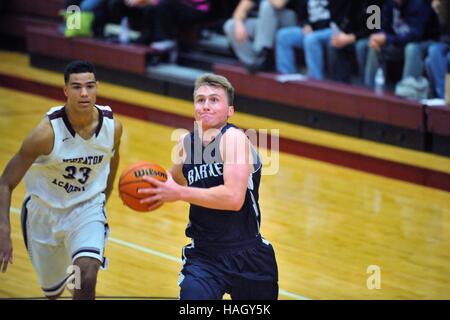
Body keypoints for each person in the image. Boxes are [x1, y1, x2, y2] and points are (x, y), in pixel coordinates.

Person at [138, 73, 279, 300]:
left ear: (229, 110)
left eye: (214, 100)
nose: (206, 105)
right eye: (200, 100)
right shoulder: (187, 144)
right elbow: (173, 180)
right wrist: (147, 183)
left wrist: (179, 193)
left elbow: (234, 198)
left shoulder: (234, 139)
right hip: (204, 256)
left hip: (248, 254)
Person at [0, 60, 122, 300]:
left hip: (86, 210)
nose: (84, 93)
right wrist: (3, 230)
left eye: (89, 86)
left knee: (86, 277)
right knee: (53, 293)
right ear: (66, 91)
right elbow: (5, 182)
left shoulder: (113, 127)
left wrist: (100, 204)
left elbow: (113, 158)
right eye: (76, 87)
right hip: (44, 215)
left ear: (97, 87)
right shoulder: (45, 134)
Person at [223, 0, 297, 72]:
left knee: (266, 6)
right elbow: (240, 10)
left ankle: (263, 51)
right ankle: (253, 62)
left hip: (286, 24)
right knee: (231, 25)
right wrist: (239, 25)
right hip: (265, 24)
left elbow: (279, 4)